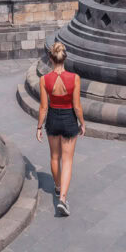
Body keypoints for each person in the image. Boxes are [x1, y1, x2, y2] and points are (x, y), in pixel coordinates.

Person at [36, 41, 85, 216]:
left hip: (53, 119)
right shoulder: (75, 78)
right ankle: (62, 199)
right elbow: (77, 106)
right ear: (65, 58)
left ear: (50, 58)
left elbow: (43, 107)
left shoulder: (44, 80)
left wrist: (39, 127)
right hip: (69, 119)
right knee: (68, 160)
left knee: (55, 157)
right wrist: (82, 123)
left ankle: (57, 187)